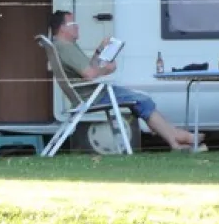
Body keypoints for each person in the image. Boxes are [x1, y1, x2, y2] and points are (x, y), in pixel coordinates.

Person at [48, 10, 205, 152]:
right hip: (94, 95)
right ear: (62, 28)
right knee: (142, 100)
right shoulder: (66, 47)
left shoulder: (62, 46)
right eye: (73, 24)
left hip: (86, 94)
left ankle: (176, 140)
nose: (78, 27)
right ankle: (177, 137)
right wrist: (107, 69)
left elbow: (87, 69)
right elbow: (90, 74)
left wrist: (99, 52)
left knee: (141, 101)